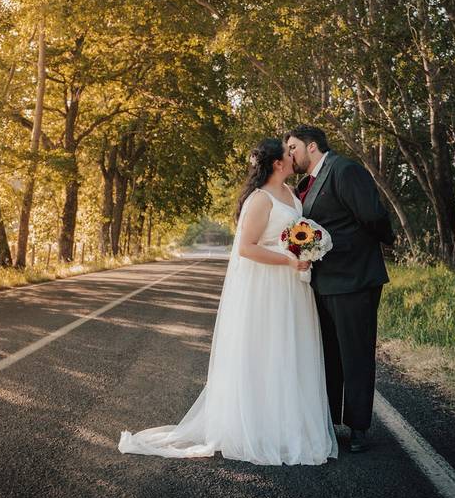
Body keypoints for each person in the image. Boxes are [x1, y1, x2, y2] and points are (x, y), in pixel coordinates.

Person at [118, 138, 338, 465]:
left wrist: (305, 252)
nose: (294, 155)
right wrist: (289, 260)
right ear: (277, 163)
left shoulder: (292, 194)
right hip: (268, 288)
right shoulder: (260, 200)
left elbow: (296, 234)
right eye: (288, 153)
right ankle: (259, 428)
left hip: (293, 289)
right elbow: (247, 248)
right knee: (266, 352)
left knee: (290, 351)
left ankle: (289, 424)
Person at [284, 124, 395, 453]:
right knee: (328, 356)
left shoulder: (345, 170)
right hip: (323, 283)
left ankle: (358, 426)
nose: (290, 154)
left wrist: (386, 244)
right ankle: (330, 422)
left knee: (356, 356)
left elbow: (373, 216)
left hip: (355, 280)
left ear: (312, 146)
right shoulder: (307, 182)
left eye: (293, 147)